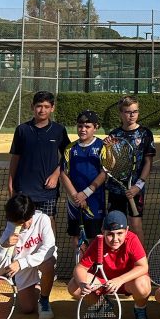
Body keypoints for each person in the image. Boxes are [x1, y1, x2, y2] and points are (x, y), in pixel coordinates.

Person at [68, 210, 151, 319]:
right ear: (103, 231)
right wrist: (82, 284)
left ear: (127, 230)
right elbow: (80, 268)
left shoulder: (132, 239)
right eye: (110, 234)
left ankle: (140, 309)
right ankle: (101, 305)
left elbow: (143, 266)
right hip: (104, 281)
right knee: (73, 286)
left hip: (127, 282)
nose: (115, 239)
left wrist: (120, 279)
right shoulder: (98, 242)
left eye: (119, 233)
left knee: (143, 284)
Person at [8, 91, 70, 226]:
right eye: (39, 106)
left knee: (48, 222)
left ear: (52, 108)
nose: (42, 110)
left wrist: (56, 174)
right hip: (23, 189)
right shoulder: (22, 130)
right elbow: (15, 158)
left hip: (47, 191)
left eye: (47, 106)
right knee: (21, 223)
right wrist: (11, 184)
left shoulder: (59, 130)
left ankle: (51, 248)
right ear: (32, 107)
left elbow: (68, 155)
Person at [0, 193, 57, 319]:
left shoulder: (43, 219)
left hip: (39, 261)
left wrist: (21, 263)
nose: (24, 225)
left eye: (27, 221)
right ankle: (38, 286)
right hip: (23, 267)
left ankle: (44, 300)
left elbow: (49, 249)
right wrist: (4, 247)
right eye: (19, 223)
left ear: (32, 214)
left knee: (49, 264)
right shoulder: (10, 229)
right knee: (27, 309)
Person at [105, 95, 156, 243]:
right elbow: (110, 164)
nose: (132, 115)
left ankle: (141, 263)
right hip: (116, 190)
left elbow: (148, 162)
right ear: (121, 113)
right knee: (115, 228)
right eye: (128, 112)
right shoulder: (114, 134)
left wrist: (138, 186)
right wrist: (108, 149)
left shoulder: (146, 134)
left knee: (135, 225)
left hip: (135, 189)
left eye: (135, 111)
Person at [60, 110, 107, 261]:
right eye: (80, 126)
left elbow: (104, 172)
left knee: (95, 237)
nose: (83, 129)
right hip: (74, 202)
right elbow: (63, 174)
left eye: (87, 126)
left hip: (94, 201)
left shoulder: (102, 146)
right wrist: (75, 196)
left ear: (96, 127)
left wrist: (85, 193)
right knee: (75, 237)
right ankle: (80, 268)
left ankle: (94, 269)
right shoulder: (70, 148)